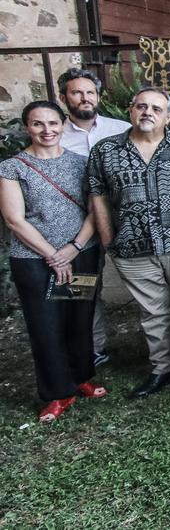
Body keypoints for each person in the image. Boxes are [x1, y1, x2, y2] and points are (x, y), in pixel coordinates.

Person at [87, 86, 170, 397]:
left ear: (169, 116)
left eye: (155, 108)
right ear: (130, 110)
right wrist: (109, 239)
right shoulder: (105, 151)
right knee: (153, 312)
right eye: (141, 106)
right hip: (131, 245)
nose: (147, 112)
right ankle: (162, 367)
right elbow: (97, 193)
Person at [0, 101, 106, 423]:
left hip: (80, 252)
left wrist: (73, 248)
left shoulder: (82, 163)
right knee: (46, 325)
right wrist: (53, 255)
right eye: (37, 124)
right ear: (27, 127)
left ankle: (80, 378)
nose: (47, 130)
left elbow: (94, 210)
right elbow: (14, 219)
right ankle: (57, 393)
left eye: (53, 123)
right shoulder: (12, 167)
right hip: (34, 259)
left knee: (78, 317)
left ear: (63, 124)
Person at [57, 67, 129, 366]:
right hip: (81, 225)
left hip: (123, 220)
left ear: (98, 96)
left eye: (90, 92)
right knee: (85, 286)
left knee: (150, 284)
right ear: (64, 97)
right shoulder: (54, 132)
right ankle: (93, 348)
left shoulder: (120, 128)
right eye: (77, 92)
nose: (84, 98)